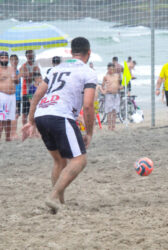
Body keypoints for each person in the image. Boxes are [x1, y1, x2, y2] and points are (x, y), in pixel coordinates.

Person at [22, 37, 97, 214]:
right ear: (88, 53)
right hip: (59, 115)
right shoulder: (88, 71)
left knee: (59, 160)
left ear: (71, 53)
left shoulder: (56, 68)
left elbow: (38, 94)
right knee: (79, 160)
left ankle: (59, 204)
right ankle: (53, 196)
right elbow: (88, 106)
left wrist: (30, 121)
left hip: (42, 114)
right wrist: (90, 133)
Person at [19, 50, 41, 125]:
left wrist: (32, 74)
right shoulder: (24, 66)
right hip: (26, 92)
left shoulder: (36, 65)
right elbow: (27, 78)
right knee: (25, 113)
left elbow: (40, 78)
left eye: (32, 55)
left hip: (35, 91)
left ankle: (33, 130)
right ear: (26, 56)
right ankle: (24, 127)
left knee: (35, 111)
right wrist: (33, 74)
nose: (31, 56)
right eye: (29, 55)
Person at [0, 51, 18, 141]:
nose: (4, 59)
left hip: (12, 96)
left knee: (9, 118)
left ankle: (8, 138)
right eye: (2, 57)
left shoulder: (12, 68)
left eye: (6, 57)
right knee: (1, 119)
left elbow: (17, 82)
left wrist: (16, 79)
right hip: (3, 95)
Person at [100, 63, 121, 131]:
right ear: (108, 69)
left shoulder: (117, 75)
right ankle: (109, 127)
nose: (111, 70)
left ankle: (113, 126)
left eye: (112, 69)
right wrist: (104, 91)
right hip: (109, 95)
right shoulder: (106, 76)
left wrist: (121, 87)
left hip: (116, 94)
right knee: (109, 111)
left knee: (114, 111)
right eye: (110, 69)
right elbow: (102, 86)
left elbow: (119, 84)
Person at [10, 54, 21, 140]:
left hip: (17, 97)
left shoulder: (18, 71)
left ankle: (13, 133)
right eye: (12, 60)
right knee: (10, 115)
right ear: (10, 61)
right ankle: (12, 133)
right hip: (10, 96)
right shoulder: (8, 71)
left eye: (16, 60)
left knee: (16, 115)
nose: (14, 61)